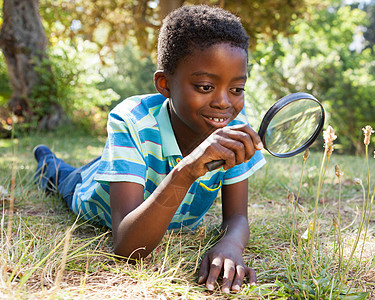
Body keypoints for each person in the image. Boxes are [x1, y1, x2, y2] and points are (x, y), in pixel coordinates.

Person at [34, 5, 266, 293]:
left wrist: (230, 245)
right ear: (165, 84)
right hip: (88, 191)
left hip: (139, 173)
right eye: (205, 86)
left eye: (237, 89)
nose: (224, 103)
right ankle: (46, 160)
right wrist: (187, 169)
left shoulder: (233, 128)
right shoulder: (131, 120)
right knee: (60, 176)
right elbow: (127, 248)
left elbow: (237, 217)